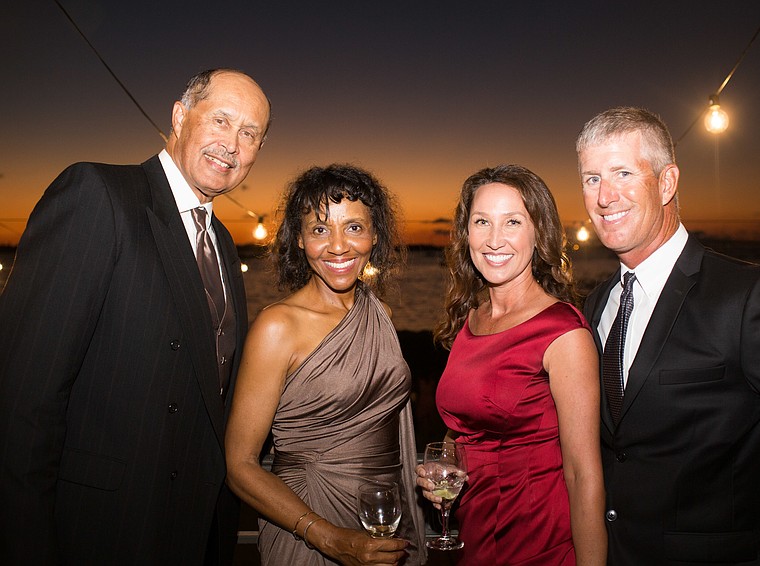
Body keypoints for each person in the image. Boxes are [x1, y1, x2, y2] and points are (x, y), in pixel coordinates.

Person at [0, 68, 271, 565]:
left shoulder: (224, 244)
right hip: (102, 529)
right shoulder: (99, 194)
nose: (232, 144)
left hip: (195, 532)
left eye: (250, 134)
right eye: (221, 120)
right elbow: (22, 399)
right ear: (179, 116)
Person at [576, 106, 760, 565]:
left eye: (622, 172)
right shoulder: (596, 304)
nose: (605, 196)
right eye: (591, 178)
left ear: (666, 182)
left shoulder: (749, 297)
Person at [225, 164, 427, 566]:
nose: (338, 246)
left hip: (385, 518)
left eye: (354, 227)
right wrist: (328, 537)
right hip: (306, 522)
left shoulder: (380, 311)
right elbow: (240, 466)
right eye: (320, 229)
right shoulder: (277, 327)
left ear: (374, 235)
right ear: (299, 240)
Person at [419, 164, 607, 565]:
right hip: (471, 534)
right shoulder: (471, 317)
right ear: (465, 233)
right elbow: (465, 430)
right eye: (481, 221)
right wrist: (444, 468)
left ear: (538, 233)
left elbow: (583, 475)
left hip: (536, 541)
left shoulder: (563, 332)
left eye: (512, 222)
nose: (494, 239)